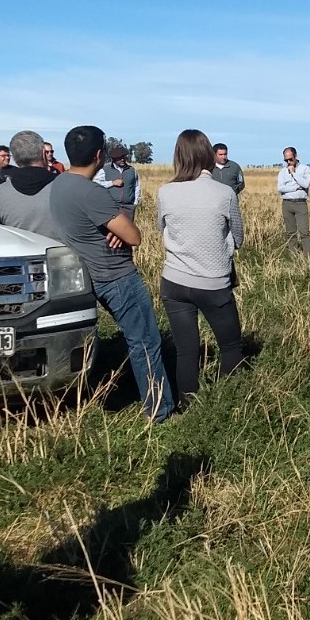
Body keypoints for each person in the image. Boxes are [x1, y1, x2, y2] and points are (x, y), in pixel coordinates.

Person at [50, 125, 175, 421]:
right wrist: (117, 228)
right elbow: (134, 236)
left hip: (89, 272)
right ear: (99, 155)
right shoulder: (92, 193)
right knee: (145, 341)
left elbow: (99, 227)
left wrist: (109, 227)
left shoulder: (59, 185)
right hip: (116, 275)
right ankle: (160, 409)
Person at [157, 129, 246, 406]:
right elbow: (239, 237)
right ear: (209, 155)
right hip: (213, 282)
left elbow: (162, 229)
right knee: (230, 346)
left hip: (174, 281)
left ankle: (187, 403)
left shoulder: (165, 191)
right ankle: (227, 403)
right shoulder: (224, 193)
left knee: (186, 349)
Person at [0, 130, 63, 241]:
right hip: (63, 253)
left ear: (15, 159)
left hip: (20, 252)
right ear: (43, 154)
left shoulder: (2, 191)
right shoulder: (63, 186)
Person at [276, 146, 310, 256]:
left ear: (296, 156)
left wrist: (293, 174)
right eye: (286, 160)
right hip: (287, 203)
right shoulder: (282, 172)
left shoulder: (306, 169)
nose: (288, 162)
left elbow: (305, 184)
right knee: (290, 232)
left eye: (290, 159)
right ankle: (294, 256)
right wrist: (295, 187)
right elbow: (280, 188)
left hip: (300, 203)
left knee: (304, 232)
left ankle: (308, 257)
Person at [95, 144, 141, 217]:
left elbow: (137, 187)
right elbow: (96, 184)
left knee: (127, 228)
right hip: (111, 207)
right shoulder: (105, 170)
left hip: (128, 208)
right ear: (114, 159)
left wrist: (135, 204)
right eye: (119, 158)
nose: (122, 159)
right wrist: (112, 183)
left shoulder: (132, 170)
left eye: (124, 157)